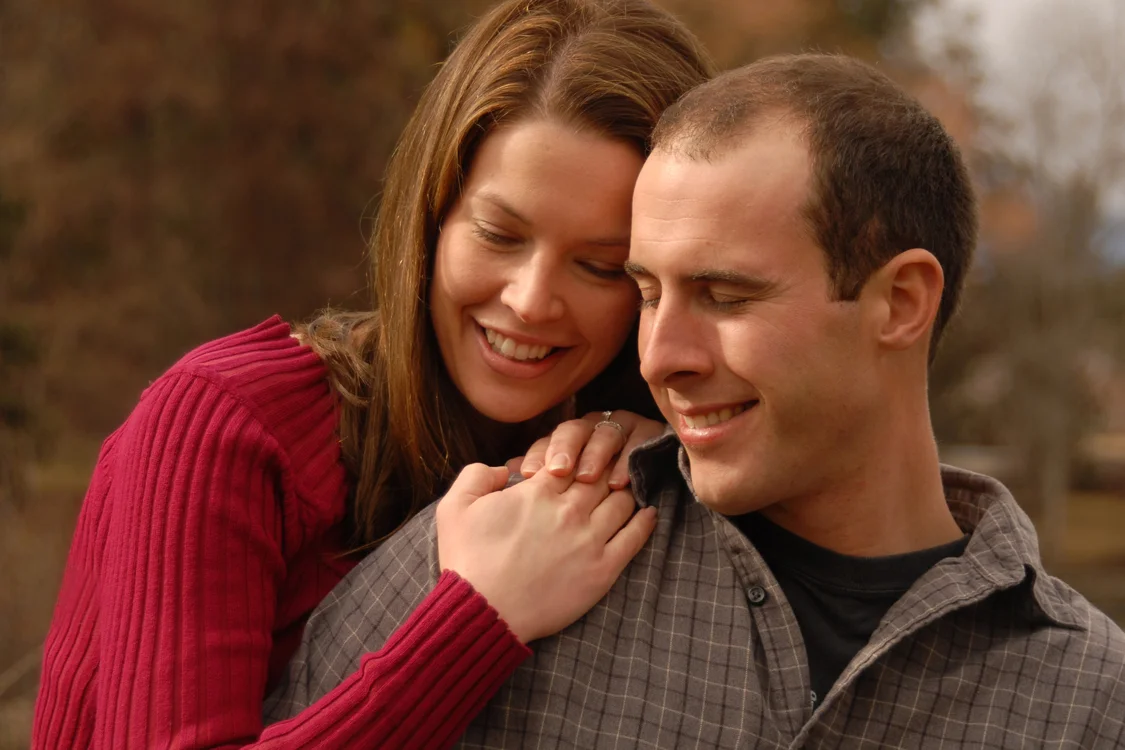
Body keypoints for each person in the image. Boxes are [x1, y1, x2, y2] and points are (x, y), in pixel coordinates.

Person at [268, 54, 1125, 748]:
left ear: (899, 302)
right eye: (644, 292)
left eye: (723, 295)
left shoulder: (1087, 700)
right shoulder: (510, 540)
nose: (658, 359)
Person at [31, 1, 713, 747]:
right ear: (430, 214)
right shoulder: (220, 428)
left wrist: (635, 443)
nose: (530, 300)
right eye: (497, 233)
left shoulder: (618, 463)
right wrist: (479, 616)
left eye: (598, 266)